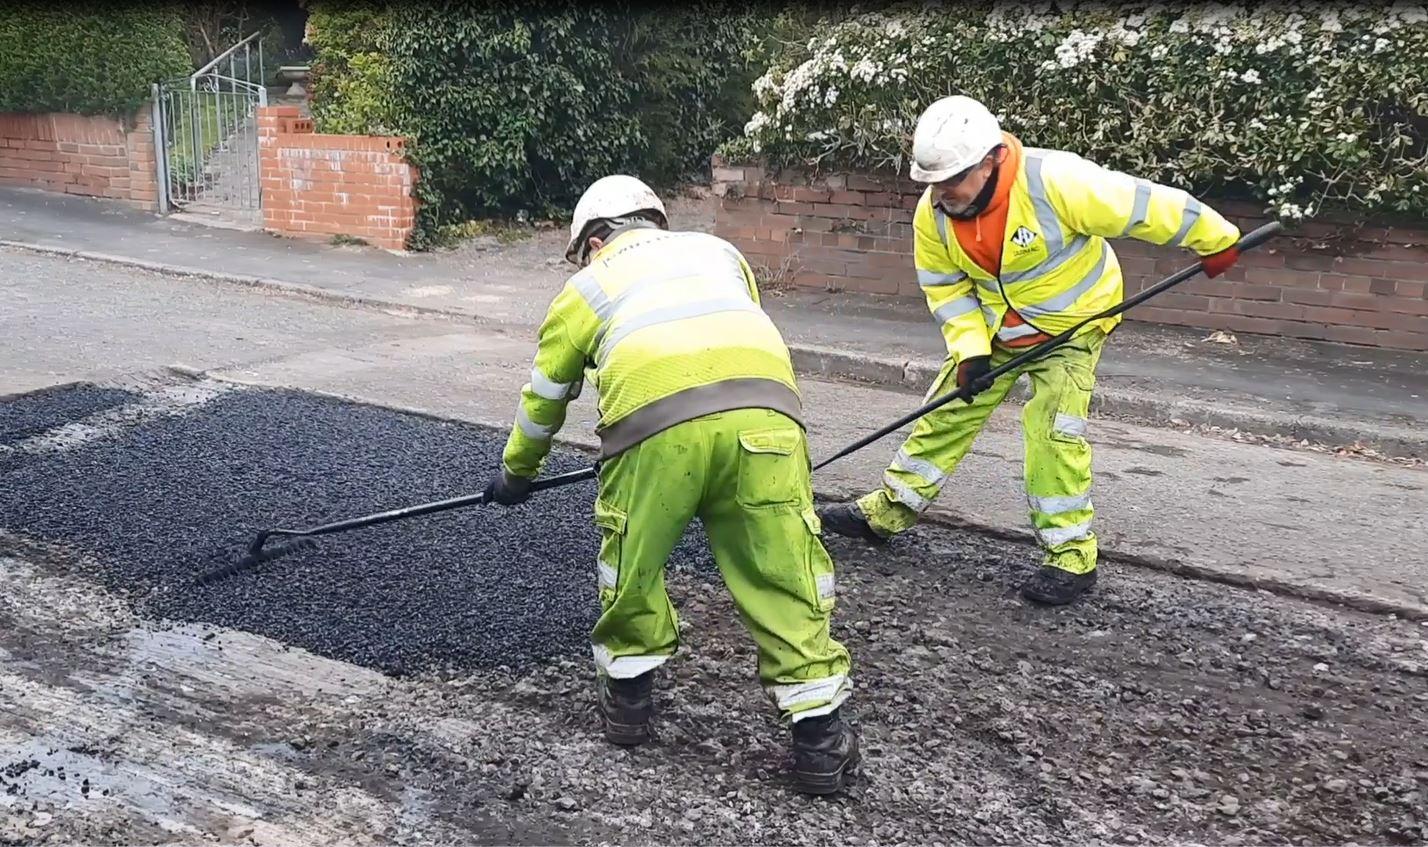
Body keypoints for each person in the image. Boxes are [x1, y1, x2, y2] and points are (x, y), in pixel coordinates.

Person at [486, 174, 858, 795]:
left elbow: (545, 399)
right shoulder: (721, 253)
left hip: (656, 436)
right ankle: (820, 739)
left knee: (632, 564)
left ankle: (628, 705)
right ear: (655, 221)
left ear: (596, 237)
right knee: (782, 569)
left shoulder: (586, 288)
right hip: (767, 424)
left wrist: (516, 473)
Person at [818, 95, 1244, 606]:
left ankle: (1070, 556)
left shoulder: (1055, 181)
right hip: (999, 330)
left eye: (952, 180)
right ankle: (889, 512)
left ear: (993, 159)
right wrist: (971, 351)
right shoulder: (932, 217)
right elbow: (946, 288)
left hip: (1073, 328)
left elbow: (1144, 205)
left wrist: (1216, 239)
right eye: (932, 184)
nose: (941, 194)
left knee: (1052, 432)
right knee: (946, 410)